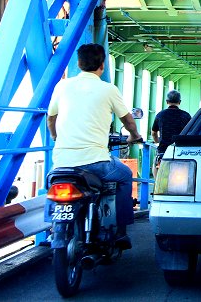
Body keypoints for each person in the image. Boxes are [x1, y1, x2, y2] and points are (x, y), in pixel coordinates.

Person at [47, 43, 143, 248]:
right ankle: (120, 231)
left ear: (79, 63)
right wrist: (134, 136)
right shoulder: (108, 89)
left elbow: (51, 118)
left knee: (53, 184)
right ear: (102, 65)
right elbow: (129, 121)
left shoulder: (62, 86)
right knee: (124, 175)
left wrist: (55, 137)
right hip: (95, 162)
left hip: (62, 162)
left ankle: (53, 230)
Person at [152, 90, 191, 155]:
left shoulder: (160, 115)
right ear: (179, 102)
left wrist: (158, 141)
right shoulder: (186, 115)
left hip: (163, 150)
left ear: (167, 101)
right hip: (181, 151)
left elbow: (154, 133)